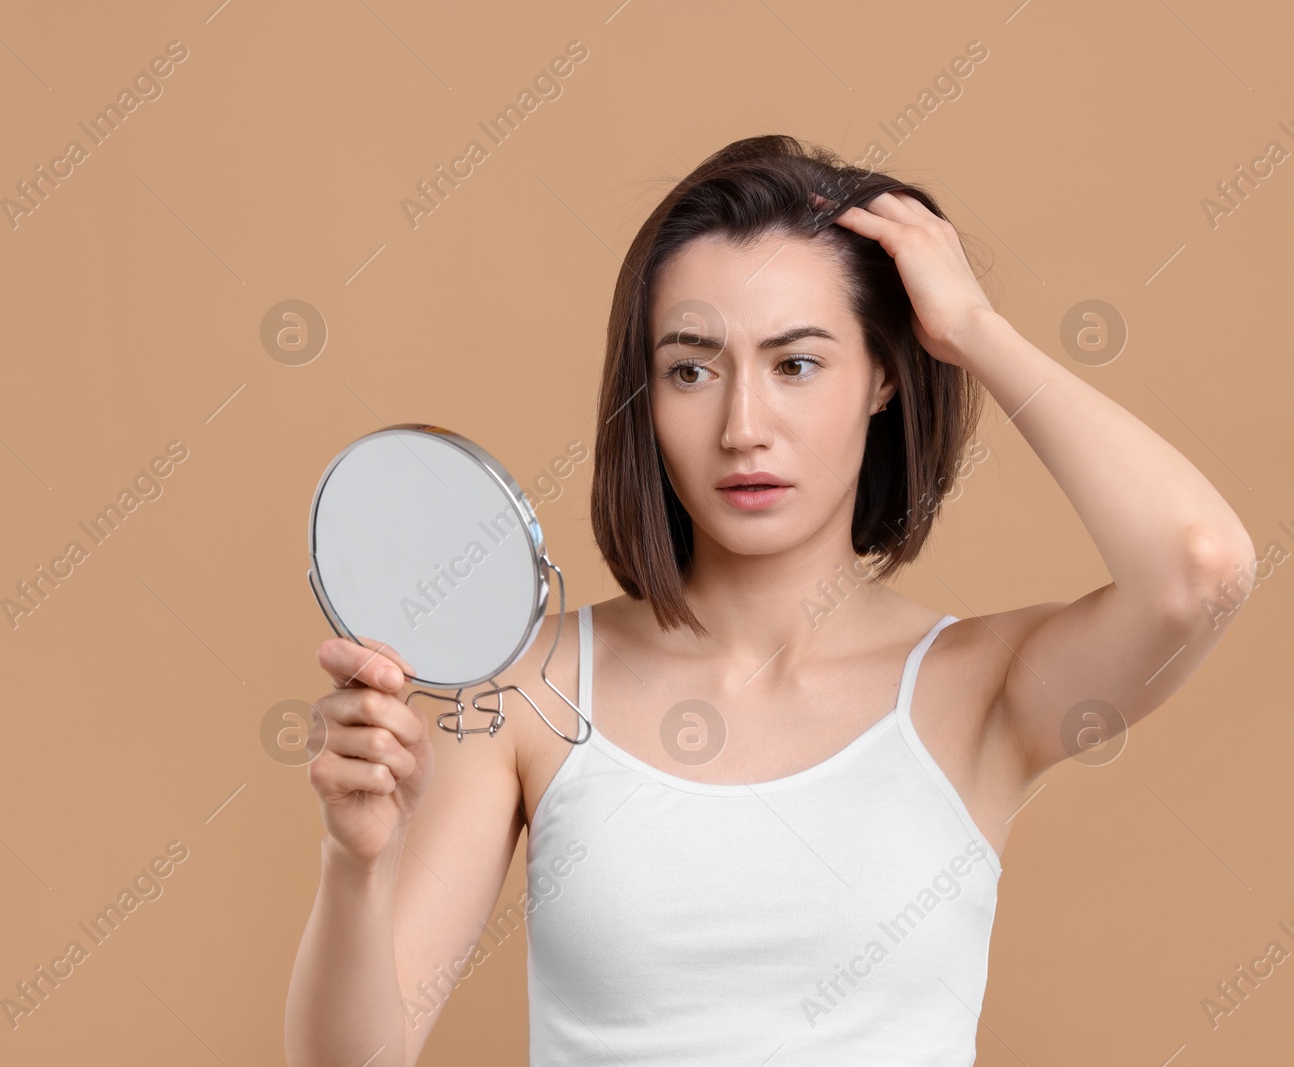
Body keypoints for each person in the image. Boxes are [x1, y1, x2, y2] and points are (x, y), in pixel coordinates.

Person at [284, 134, 1256, 1065]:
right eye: (692, 368)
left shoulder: (979, 690)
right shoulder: (527, 686)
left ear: (882, 374)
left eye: (796, 362)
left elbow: (1200, 568)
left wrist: (972, 330)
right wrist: (356, 859)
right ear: (647, 394)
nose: (743, 424)